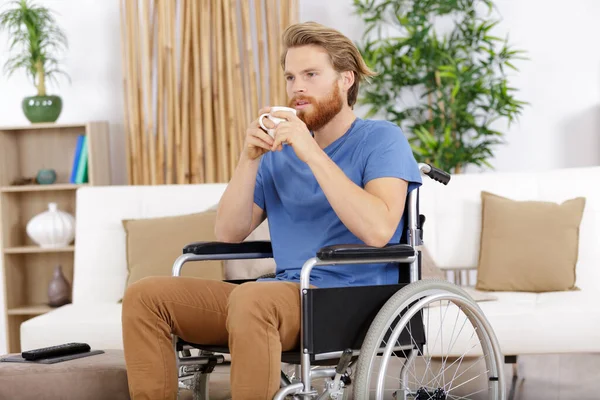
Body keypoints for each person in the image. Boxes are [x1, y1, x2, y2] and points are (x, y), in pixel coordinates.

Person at [121, 21, 422, 400]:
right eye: (291, 76)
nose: (297, 87)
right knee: (146, 296)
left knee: (253, 299)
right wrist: (248, 160)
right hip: (279, 296)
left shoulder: (382, 139)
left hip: (350, 298)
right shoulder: (278, 155)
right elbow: (228, 233)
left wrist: (311, 152)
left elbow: (379, 230)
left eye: (311, 74)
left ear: (346, 80)